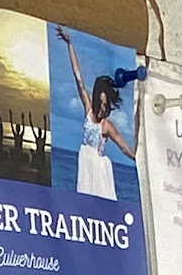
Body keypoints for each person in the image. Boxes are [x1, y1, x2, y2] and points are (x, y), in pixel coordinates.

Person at [56, 25, 135, 198]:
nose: (103, 109)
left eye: (106, 106)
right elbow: (78, 77)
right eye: (101, 104)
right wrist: (70, 45)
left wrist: (139, 160)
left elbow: (124, 147)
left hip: (98, 169)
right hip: (85, 161)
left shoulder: (106, 126)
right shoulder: (88, 109)